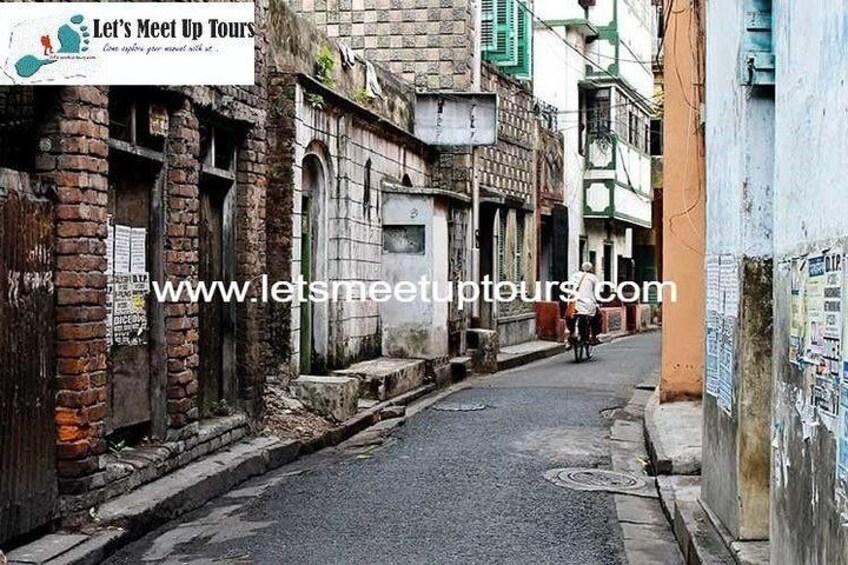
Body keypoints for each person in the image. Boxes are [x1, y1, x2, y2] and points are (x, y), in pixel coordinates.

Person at [566, 261, 603, 346]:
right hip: (588, 303)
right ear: (591, 269)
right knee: (597, 317)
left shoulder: (574, 276)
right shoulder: (593, 278)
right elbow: (598, 292)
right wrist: (599, 301)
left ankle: (571, 335)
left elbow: (569, 288)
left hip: (574, 303)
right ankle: (594, 337)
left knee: (570, 317)